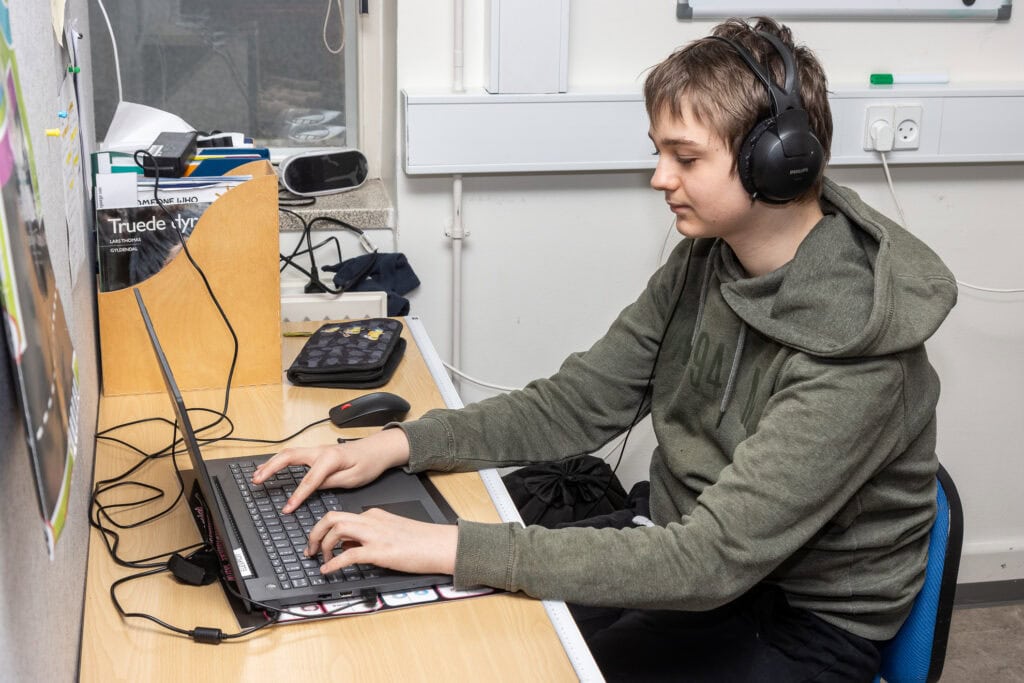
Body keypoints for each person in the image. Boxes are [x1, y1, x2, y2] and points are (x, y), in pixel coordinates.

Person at [253, 17, 957, 681]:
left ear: (779, 164)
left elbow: (708, 561)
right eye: (659, 152)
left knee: (518, 653)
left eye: (685, 157)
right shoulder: (708, 259)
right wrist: (399, 445)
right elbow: (580, 402)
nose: (660, 177)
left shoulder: (859, 352)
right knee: (458, 629)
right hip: (688, 548)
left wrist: (452, 544)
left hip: (798, 617)